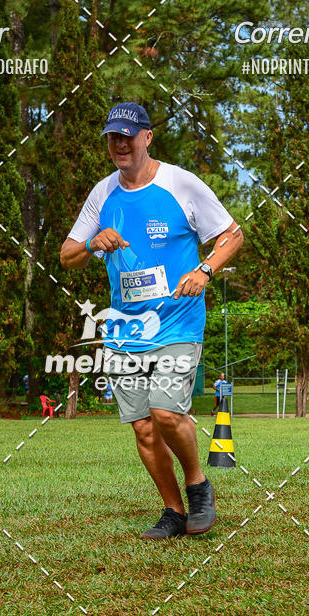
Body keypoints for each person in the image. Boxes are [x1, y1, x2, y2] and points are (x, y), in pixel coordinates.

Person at [60, 101, 243, 540]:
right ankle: (173, 510)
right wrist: (93, 243)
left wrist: (205, 270)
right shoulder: (102, 194)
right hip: (125, 330)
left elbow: (232, 235)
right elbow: (67, 257)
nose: (120, 144)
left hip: (178, 321)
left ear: (147, 137)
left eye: (128, 135)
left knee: (164, 411)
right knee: (143, 428)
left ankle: (198, 483)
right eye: (113, 137)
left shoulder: (181, 183)